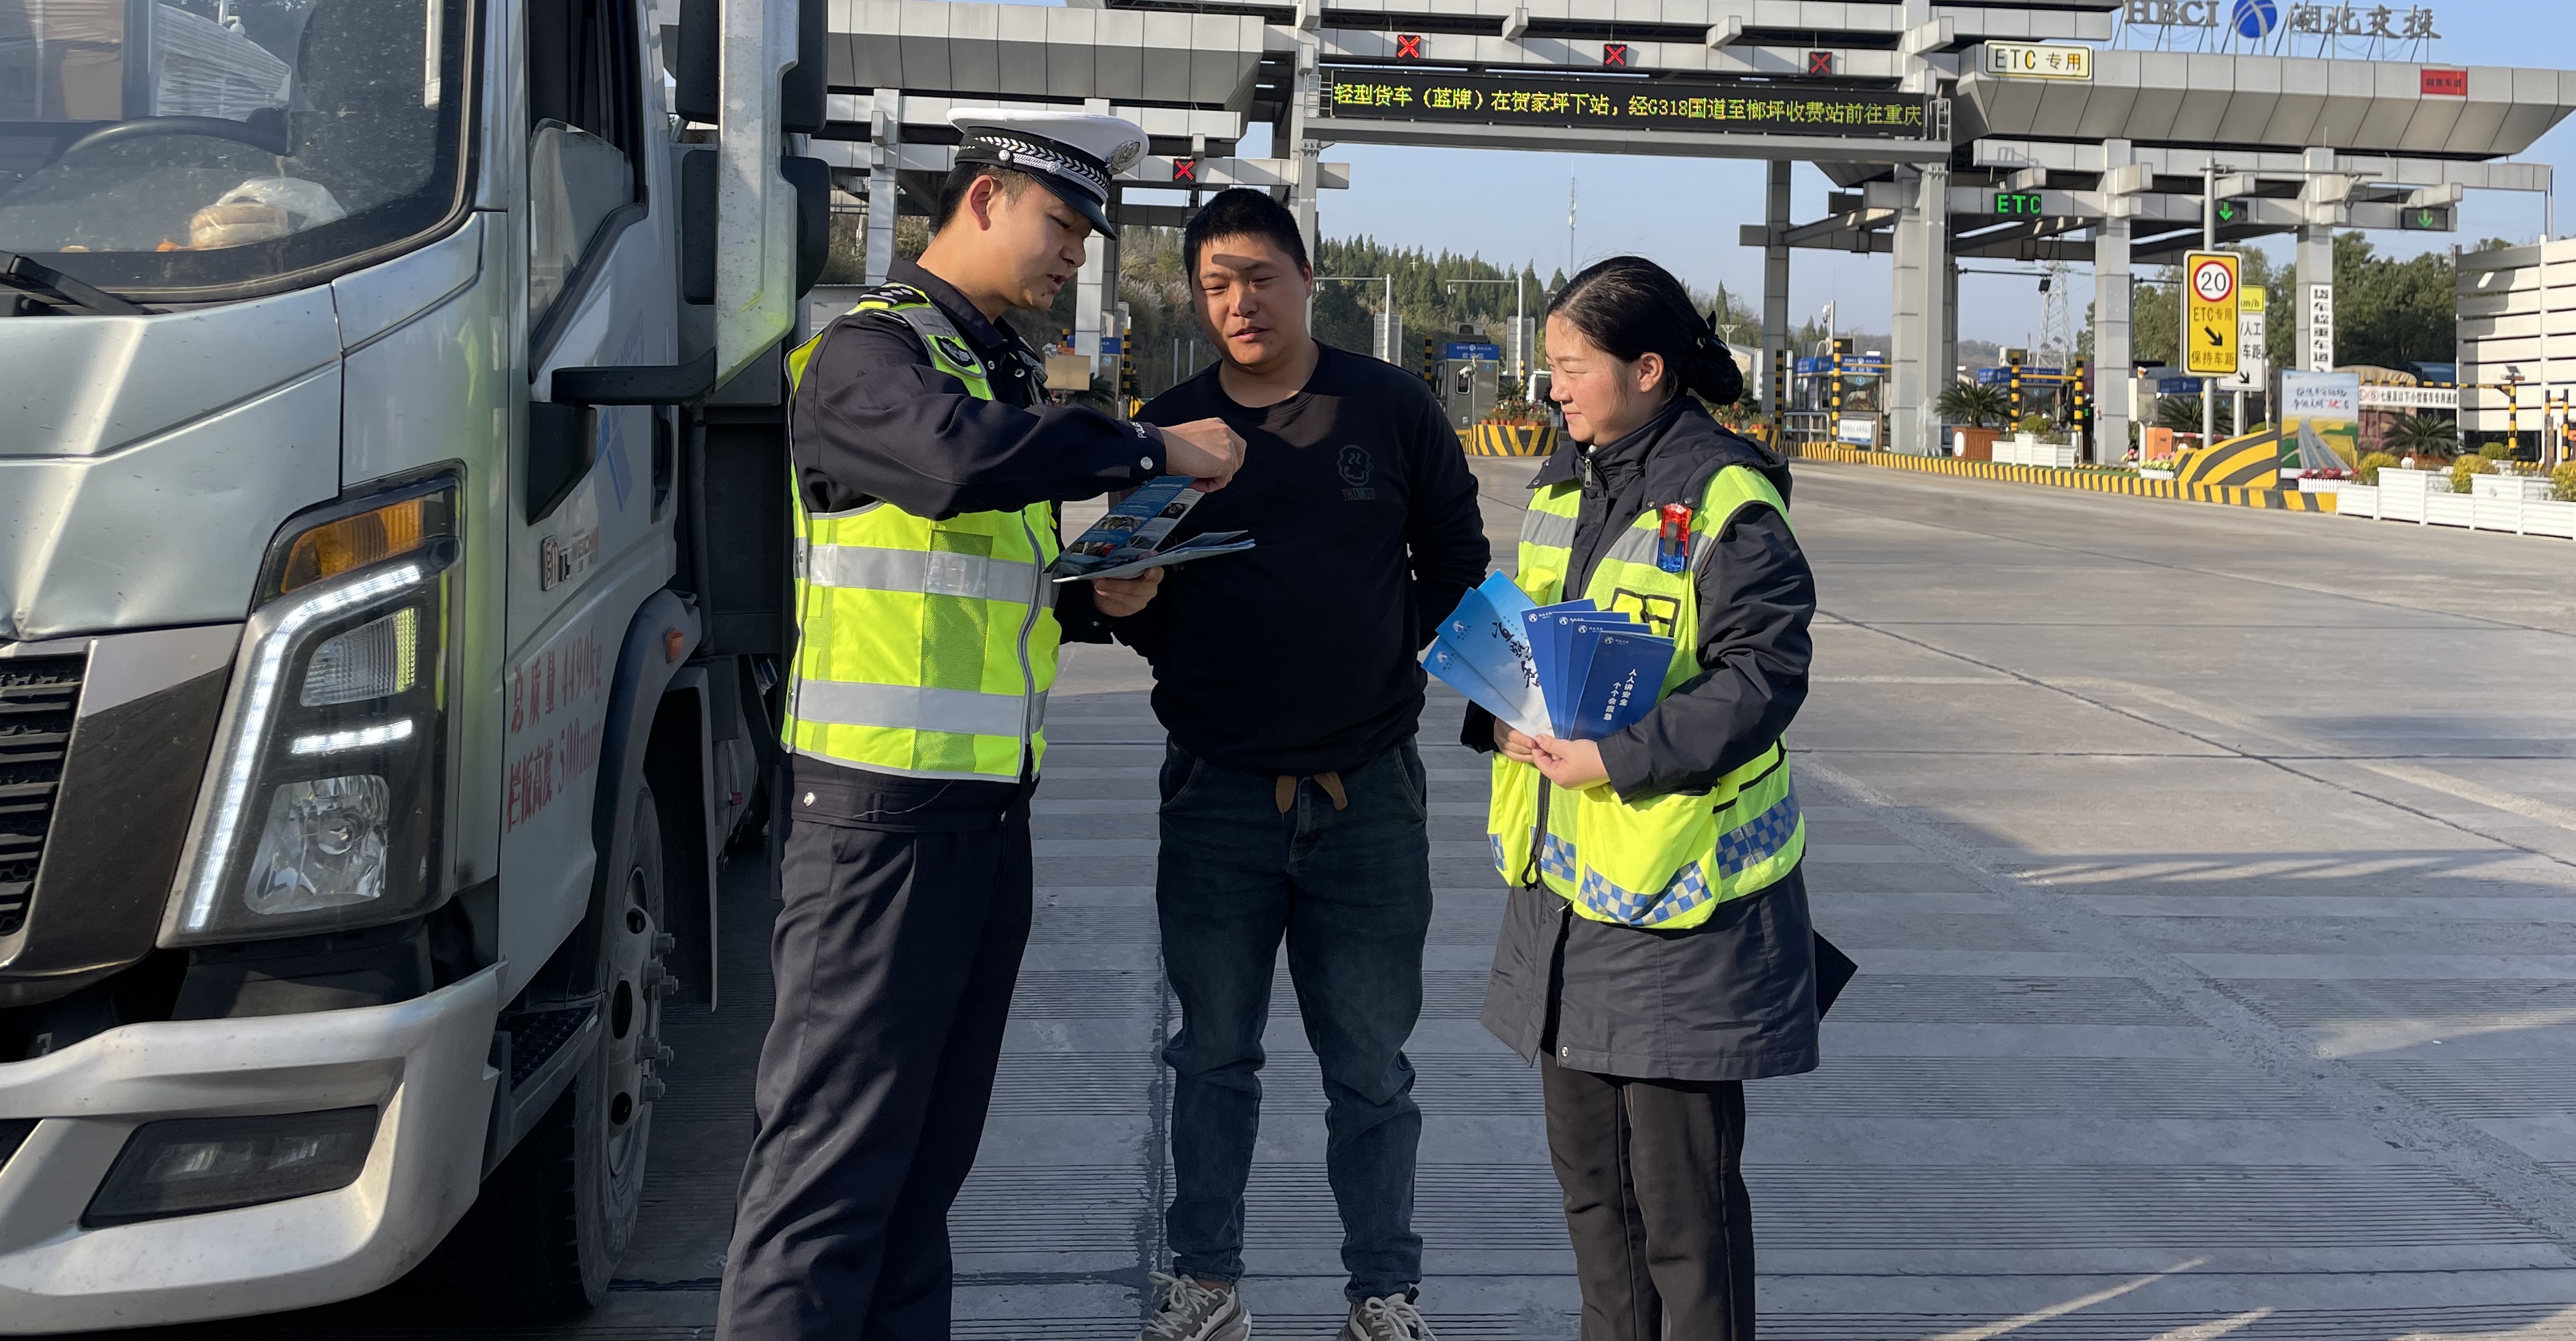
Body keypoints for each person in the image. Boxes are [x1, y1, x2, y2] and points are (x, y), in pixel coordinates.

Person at [718, 113, 1247, 1341]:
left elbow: (975, 578)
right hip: (874, 824)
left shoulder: (988, 364)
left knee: (919, 1176)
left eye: (1088, 234)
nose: (1076, 252)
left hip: (979, 818)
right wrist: (1150, 444)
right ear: (987, 196)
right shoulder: (866, 354)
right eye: (1063, 223)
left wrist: (1093, 593)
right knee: (828, 1180)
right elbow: (953, 465)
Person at [1103, 189, 1490, 1341]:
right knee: (1212, 1056)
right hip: (1216, 792)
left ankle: (1384, 1295)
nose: (1240, 303)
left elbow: (1456, 556)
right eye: (1216, 285)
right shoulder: (1169, 427)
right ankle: (1208, 1285)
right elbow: (1132, 592)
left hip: (1368, 793)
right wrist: (1130, 609)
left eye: (1260, 278)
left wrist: (1378, 649)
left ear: (1307, 279)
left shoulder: (1390, 406)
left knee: (1371, 1067)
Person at [1462, 255, 1828, 1341]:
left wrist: (1617, 759)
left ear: (1650, 369)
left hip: (1680, 915)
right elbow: (1528, 643)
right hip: (1565, 903)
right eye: (1551, 365)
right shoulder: (1564, 483)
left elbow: (1763, 678)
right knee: (1595, 1201)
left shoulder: (1728, 499)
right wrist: (1496, 712)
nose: (1555, 386)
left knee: (1682, 1215)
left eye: (1574, 366)